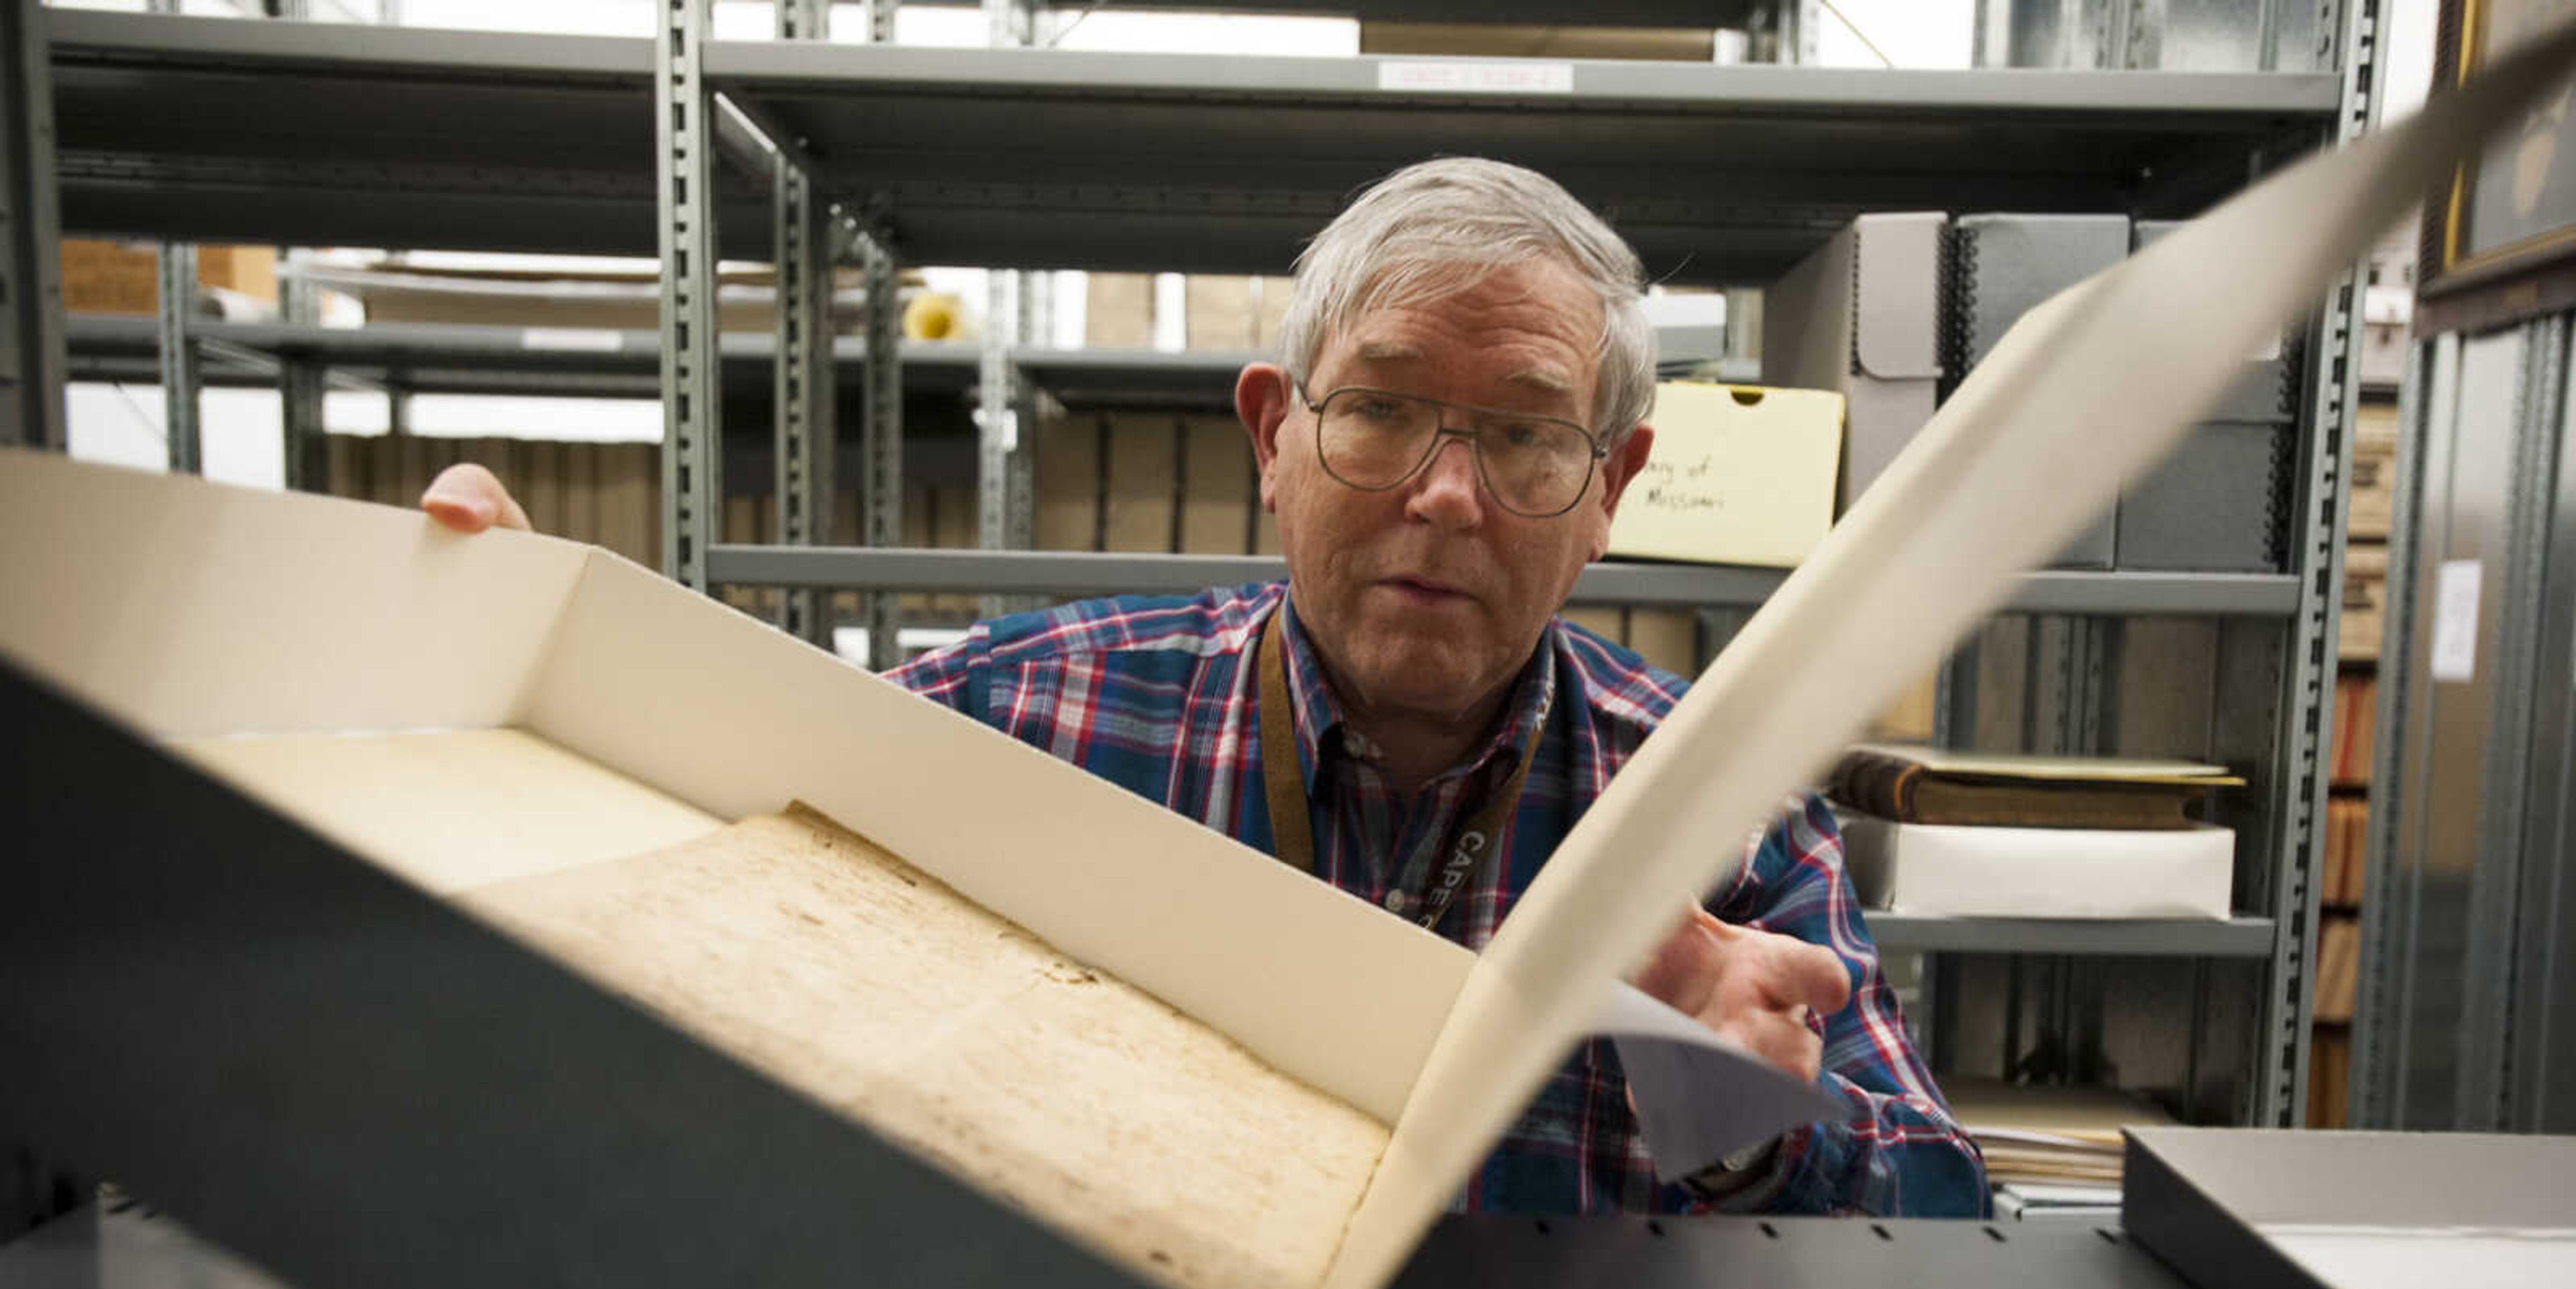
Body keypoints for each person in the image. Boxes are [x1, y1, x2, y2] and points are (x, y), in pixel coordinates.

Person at [423, 156, 1988, 1220]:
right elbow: (689, 913)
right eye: (1380, 410)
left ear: (1611, 487)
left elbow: (1943, 1206)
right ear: (1270, 439)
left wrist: (1747, 1125)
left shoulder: (1721, 831)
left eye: (1521, 435)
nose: (1446, 496)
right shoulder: (1012, 729)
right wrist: (534, 698)